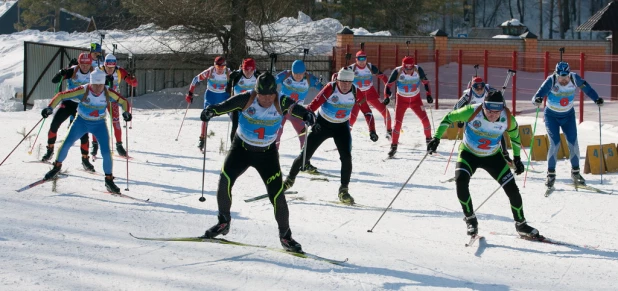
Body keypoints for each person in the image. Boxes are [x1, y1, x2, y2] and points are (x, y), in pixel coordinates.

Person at [199, 72, 316, 253]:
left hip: (267, 154)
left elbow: (298, 109)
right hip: (241, 149)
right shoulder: (247, 98)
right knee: (224, 181)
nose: (267, 99)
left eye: (270, 95)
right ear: (257, 92)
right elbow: (224, 106)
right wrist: (210, 111)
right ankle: (223, 222)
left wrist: (308, 116)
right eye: (263, 95)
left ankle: (285, 236)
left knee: (277, 195)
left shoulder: (281, 101)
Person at [427, 90, 540, 239]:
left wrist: (517, 158)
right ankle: (470, 219)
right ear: (483, 106)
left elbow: (515, 137)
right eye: (488, 110)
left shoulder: (508, 119)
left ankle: (521, 224)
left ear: (501, 109)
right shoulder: (471, 111)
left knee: (512, 189)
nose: (492, 115)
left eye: (496, 112)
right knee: (461, 180)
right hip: (468, 153)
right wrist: (436, 138)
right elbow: (448, 118)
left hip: (493, 157)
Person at [283, 67, 378, 205]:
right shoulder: (330, 88)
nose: (345, 85)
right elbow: (311, 107)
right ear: (337, 80)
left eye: (348, 82)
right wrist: (313, 123)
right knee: (305, 155)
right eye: (342, 82)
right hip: (323, 125)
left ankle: (343, 190)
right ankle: (289, 181)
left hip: (341, 127)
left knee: (346, 158)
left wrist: (372, 130)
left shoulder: (356, 91)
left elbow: (367, 112)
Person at [40, 69, 132, 194]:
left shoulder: (107, 92)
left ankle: (109, 180)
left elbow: (123, 101)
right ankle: (56, 167)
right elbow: (61, 95)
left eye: (100, 85)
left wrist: (126, 112)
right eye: (95, 85)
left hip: (99, 124)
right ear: (90, 83)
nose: (98, 88)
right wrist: (50, 107)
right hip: (81, 122)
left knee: (106, 152)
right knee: (66, 144)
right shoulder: (83, 90)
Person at [532, 61, 603, 188]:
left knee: (573, 143)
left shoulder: (575, 78)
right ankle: (551, 174)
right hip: (551, 116)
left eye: (565, 77)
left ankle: (575, 173)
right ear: (556, 74)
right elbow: (538, 94)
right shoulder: (551, 80)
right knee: (555, 143)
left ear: (569, 74)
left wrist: (596, 98)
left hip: (568, 116)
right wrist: (537, 99)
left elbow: (587, 89)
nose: (563, 80)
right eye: (561, 77)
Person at [42, 53, 96, 172]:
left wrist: (108, 80)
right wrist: (60, 73)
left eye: (87, 64)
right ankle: (49, 150)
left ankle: (85, 159)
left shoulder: (94, 73)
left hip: (83, 105)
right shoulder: (73, 71)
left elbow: (105, 84)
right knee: (54, 124)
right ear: (79, 63)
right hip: (69, 103)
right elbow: (54, 80)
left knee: (84, 133)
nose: (85, 67)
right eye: (82, 64)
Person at [275, 60, 324, 172]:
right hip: (281, 109)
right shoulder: (285, 75)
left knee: (304, 135)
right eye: (295, 73)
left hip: (297, 111)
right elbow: (271, 81)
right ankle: (273, 160)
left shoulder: (309, 78)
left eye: (300, 74)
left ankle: (305, 162)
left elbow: (323, 89)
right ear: (291, 71)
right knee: (277, 133)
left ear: (304, 72)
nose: (298, 76)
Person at [382, 56, 434, 158]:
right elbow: (388, 85)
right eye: (406, 68)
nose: (409, 71)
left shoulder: (418, 69)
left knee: (426, 120)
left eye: (411, 68)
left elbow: (426, 82)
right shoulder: (397, 71)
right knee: (397, 124)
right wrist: (386, 97)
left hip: (416, 100)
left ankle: (429, 143)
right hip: (402, 100)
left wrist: (429, 95)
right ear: (403, 67)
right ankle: (393, 146)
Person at [453, 77, 512, 165]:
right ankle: (468, 156)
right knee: (470, 133)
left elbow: (501, 101)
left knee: (498, 131)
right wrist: (460, 120)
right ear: (472, 87)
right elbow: (457, 107)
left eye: (482, 88)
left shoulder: (490, 90)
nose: (480, 90)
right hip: (474, 117)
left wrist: (504, 114)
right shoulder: (468, 95)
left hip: (490, 114)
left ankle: (504, 154)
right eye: (477, 88)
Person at [91, 54, 138, 158]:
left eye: (112, 68)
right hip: (100, 100)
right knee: (96, 121)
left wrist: (132, 80)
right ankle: (94, 145)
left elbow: (133, 83)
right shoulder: (98, 71)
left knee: (116, 122)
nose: (110, 70)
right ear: (105, 65)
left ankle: (119, 145)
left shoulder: (119, 71)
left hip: (113, 100)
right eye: (108, 67)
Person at [185, 56, 231, 152]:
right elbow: (195, 80)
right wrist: (190, 93)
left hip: (224, 96)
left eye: (222, 68)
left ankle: (236, 141)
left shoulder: (228, 72)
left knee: (235, 116)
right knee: (205, 116)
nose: (220, 70)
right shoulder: (210, 72)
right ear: (215, 66)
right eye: (218, 68)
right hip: (211, 96)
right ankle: (202, 139)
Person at [347, 50, 392, 138]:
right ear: (356, 60)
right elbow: (339, 77)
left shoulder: (370, 67)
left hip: (370, 93)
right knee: (352, 119)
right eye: (360, 59)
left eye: (364, 59)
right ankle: (345, 138)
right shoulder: (352, 68)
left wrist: (387, 92)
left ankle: (389, 133)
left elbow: (384, 77)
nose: (362, 62)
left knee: (386, 112)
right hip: (357, 95)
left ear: (366, 59)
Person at [225, 58, 260, 142]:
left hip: (252, 105)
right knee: (236, 126)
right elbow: (227, 90)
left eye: (251, 69)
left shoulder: (258, 76)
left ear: (254, 69)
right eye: (246, 69)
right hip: (237, 104)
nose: (248, 72)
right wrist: (230, 80)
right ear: (242, 68)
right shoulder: (237, 75)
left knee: (251, 127)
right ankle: (233, 148)